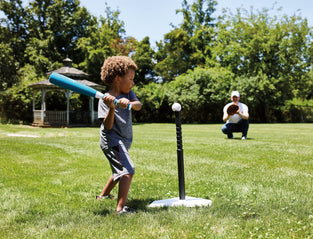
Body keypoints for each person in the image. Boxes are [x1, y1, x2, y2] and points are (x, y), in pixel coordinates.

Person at [96, 56, 142, 214]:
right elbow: (107, 126)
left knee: (119, 171)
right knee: (127, 171)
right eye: (130, 79)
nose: (132, 82)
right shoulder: (104, 100)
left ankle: (103, 196)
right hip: (112, 141)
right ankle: (120, 209)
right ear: (117, 79)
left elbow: (138, 106)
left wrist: (129, 103)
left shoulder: (129, 94)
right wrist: (112, 107)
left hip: (123, 140)